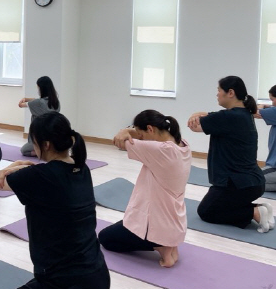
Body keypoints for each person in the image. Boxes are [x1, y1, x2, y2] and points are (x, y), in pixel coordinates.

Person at [0, 112, 110, 289]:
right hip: (100, 277)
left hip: (70, 287)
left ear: (45, 144)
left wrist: (10, 167)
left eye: (34, 142)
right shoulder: (81, 168)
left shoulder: (39, 177)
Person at [99, 110, 191, 268]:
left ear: (150, 129)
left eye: (141, 135)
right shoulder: (182, 143)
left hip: (154, 224)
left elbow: (119, 141)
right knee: (125, 224)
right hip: (174, 223)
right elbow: (134, 135)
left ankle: (160, 245)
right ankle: (169, 243)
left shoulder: (161, 151)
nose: (139, 138)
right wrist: (131, 130)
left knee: (105, 238)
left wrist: (124, 131)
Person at [188, 76, 272, 233]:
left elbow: (196, 126)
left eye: (219, 90)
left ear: (230, 93)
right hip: (251, 182)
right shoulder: (244, 114)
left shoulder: (228, 117)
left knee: (206, 211)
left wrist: (195, 116)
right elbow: (208, 118)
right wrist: (199, 114)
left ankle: (254, 212)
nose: (217, 94)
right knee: (215, 204)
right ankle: (262, 209)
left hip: (237, 184)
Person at [18, 75, 60, 156]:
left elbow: (20, 105)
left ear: (41, 89)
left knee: (24, 150)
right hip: (53, 136)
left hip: (39, 137)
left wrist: (23, 100)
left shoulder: (38, 103)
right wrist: (27, 99)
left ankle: (41, 153)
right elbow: (39, 101)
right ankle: (48, 150)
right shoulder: (56, 102)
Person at [255, 84, 276, 192]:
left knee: (250, 180)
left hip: (274, 168)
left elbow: (254, 112)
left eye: (272, 99)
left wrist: (262, 106)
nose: (272, 103)